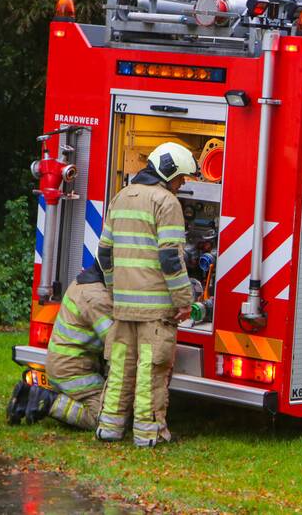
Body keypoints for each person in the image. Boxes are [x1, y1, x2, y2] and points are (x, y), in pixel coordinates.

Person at [95, 142, 196, 447]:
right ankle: (148, 434)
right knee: (150, 373)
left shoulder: (121, 196)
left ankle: (109, 428)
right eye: (181, 178)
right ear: (170, 172)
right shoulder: (166, 203)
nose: (182, 185)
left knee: (120, 370)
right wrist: (183, 300)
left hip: (124, 306)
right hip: (155, 310)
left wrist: (115, 291)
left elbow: (105, 253)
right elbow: (170, 258)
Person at [6, 265, 113, 428]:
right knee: (106, 417)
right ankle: (47, 401)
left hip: (65, 365)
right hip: (73, 371)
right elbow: (115, 345)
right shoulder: (97, 299)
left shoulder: (82, 283)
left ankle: (28, 396)